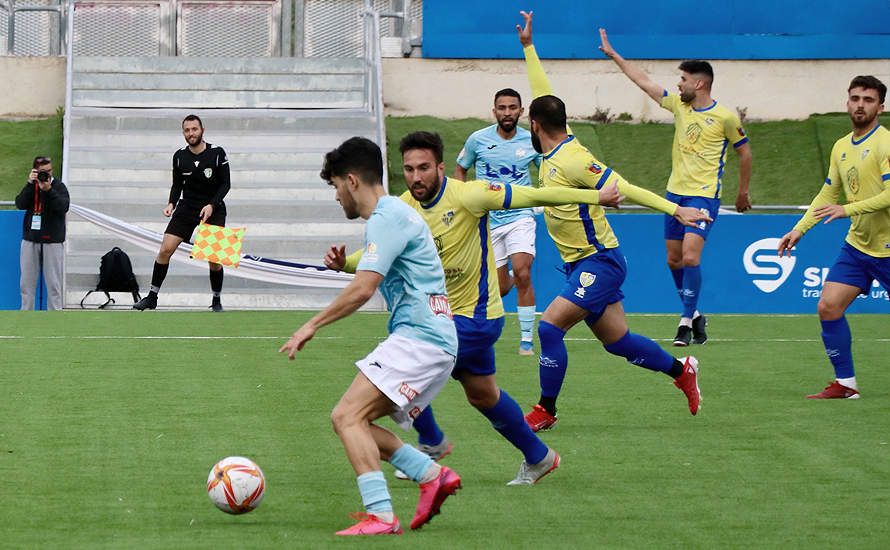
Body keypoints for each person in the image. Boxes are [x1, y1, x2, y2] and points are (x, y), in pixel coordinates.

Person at [327, 131, 622, 484]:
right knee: (484, 396)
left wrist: (596, 195)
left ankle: (432, 443)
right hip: (442, 317)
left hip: (474, 316)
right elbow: (380, 252)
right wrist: (346, 264)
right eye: (408, 169)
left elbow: (536, 194)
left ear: (440, 167)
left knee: (401, 368)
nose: (416, 177)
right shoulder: (404, 206)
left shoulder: (470, 195)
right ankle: (539, 456)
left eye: (423, 167)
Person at [516, 11, 710, 432]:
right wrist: (529, 47)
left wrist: (676, 210)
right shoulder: (552, 140)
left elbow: (623, 186)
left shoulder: (573, 158)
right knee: (617, 342)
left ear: (534, 125)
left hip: (598, 260)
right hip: (580, 262)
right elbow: (543, 94)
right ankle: (682, 371)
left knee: (549, 329)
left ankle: (545, 410)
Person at [280, 137, 461, 536]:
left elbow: (364, 288)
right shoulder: (395, 214)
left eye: (335, 187)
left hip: (421, 338)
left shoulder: (386, 215)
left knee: (346, 417)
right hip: (431, 339)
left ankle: (381, 515)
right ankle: (432, 475)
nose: (337, 196)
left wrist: (311, 324)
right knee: (354, 421)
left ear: (351, 181)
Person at [598, 27, 753, 346]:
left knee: (691, 257)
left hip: (703, 195)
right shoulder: (679, 106)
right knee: (674, 259)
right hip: (674, 194)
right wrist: (616, 56)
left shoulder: (724, 117)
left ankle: (684, 321)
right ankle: (697, 315)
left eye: (682, 79)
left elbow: (745, 152)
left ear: (699, 83)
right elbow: (643, 81)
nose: (677, 84)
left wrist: (742, 192)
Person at [777, 76, 890, 400]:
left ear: (880, 107)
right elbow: (827, 193)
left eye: (868, 100)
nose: (860, 105)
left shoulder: (885, 143)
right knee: (828, 306)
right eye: (855, 98)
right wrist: (799, 229)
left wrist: (848, 209)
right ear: (847, 103)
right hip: (858, 247)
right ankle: (846, 384)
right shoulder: (841, 147)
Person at [454, 88, 543, 355]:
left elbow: (548, 171)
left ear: (521, 111)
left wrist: (541, 198)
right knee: (501, 288)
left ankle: (526, 339)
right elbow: (460, 168)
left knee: (524, 271)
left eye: (512, 107)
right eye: (502, 108)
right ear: (494, 111)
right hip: (489, 220)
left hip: (520, 216)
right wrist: (462, 197)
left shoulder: (532, 141)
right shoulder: (477, 140)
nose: (507, 113)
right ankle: (514, 274)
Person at [133, 114, 230, 311]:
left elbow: (226, 184)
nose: (191, 133)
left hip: (214, 208)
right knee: (165, 249)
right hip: (187, 207)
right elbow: (177, 184)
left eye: (194, 129)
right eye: (187, 130)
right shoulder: (179, 156)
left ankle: (216, 299)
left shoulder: (217, 153)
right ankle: (152, 297)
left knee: (214, 258)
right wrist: (171, 203)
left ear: (202, 130)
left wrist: (212, 205)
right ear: (183, 133)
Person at [15, 156, 70, 310]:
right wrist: (29, 184)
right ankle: (26, 315)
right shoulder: (31, 187)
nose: (46, 175)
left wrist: (49, 190)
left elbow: (63, 206)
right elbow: (20, 204)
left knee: (54, 284)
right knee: (26, 283)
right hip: (30, 239)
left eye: (49, 171)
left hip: (53, 241)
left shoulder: (58, 186)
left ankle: (54, 318)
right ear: (35, 172)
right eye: (42, 172)